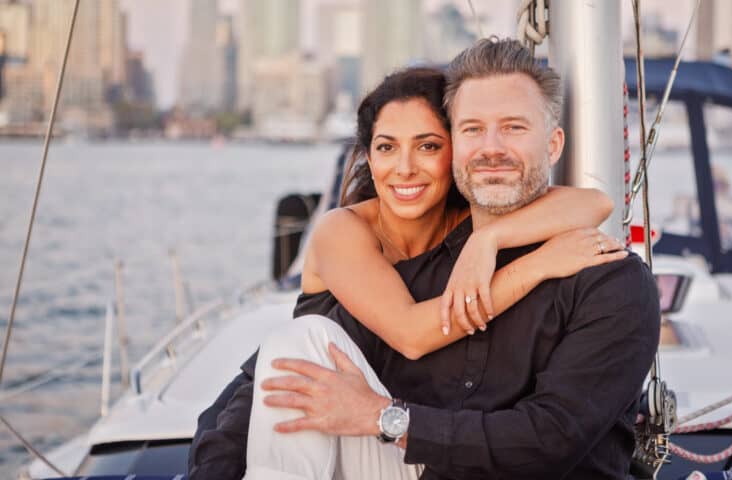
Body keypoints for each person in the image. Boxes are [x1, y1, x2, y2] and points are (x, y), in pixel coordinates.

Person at [191, 39, 656, 479]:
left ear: (553, 145)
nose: (492, 148)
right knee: (306, 337)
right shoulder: (407, 267)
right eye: (473, 130)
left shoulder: (609, 282)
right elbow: (269, 383)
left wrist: (387, 419)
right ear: (458, 149)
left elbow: (550, 442)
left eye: (513, 127)